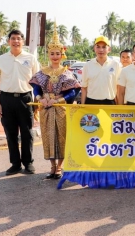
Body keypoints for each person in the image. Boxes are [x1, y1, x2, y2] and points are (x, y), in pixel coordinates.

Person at [29, 25, 80, 179]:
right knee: (48, 136)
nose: (55, 56)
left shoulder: (66, 73)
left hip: (61, 108)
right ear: (49, 54)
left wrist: (58, 100)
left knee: (62, 137)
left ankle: (60, 166)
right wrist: (41, 99)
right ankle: (51, 165)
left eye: (58, 53)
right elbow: (36, 88)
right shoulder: (42, 72)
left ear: (62, 54)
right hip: (45, 107)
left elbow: (73, 91)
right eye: (52, 53)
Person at [0, 30, 40, 175]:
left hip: (25, 99)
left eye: (18, 39)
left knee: (27, 133)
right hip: (6, 99)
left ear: (23, 41)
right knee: (10, 133)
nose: (16, 41)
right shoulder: (1, 59)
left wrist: (37, 100)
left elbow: (38, 81)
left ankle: (28, 163)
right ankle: (15, 163)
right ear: (8, 41)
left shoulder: (31, 58)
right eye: (13, 38)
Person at [80, 36, 120, 105]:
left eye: (104, 47)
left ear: (109, 49)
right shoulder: (88, 65)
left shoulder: (115, 65)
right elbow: (84, 88)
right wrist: (82, 106)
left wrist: (119, 106)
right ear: (94, 48)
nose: (101, 50)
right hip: (91, 102)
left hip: (109, 102)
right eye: (98, 47)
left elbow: (119, 87)